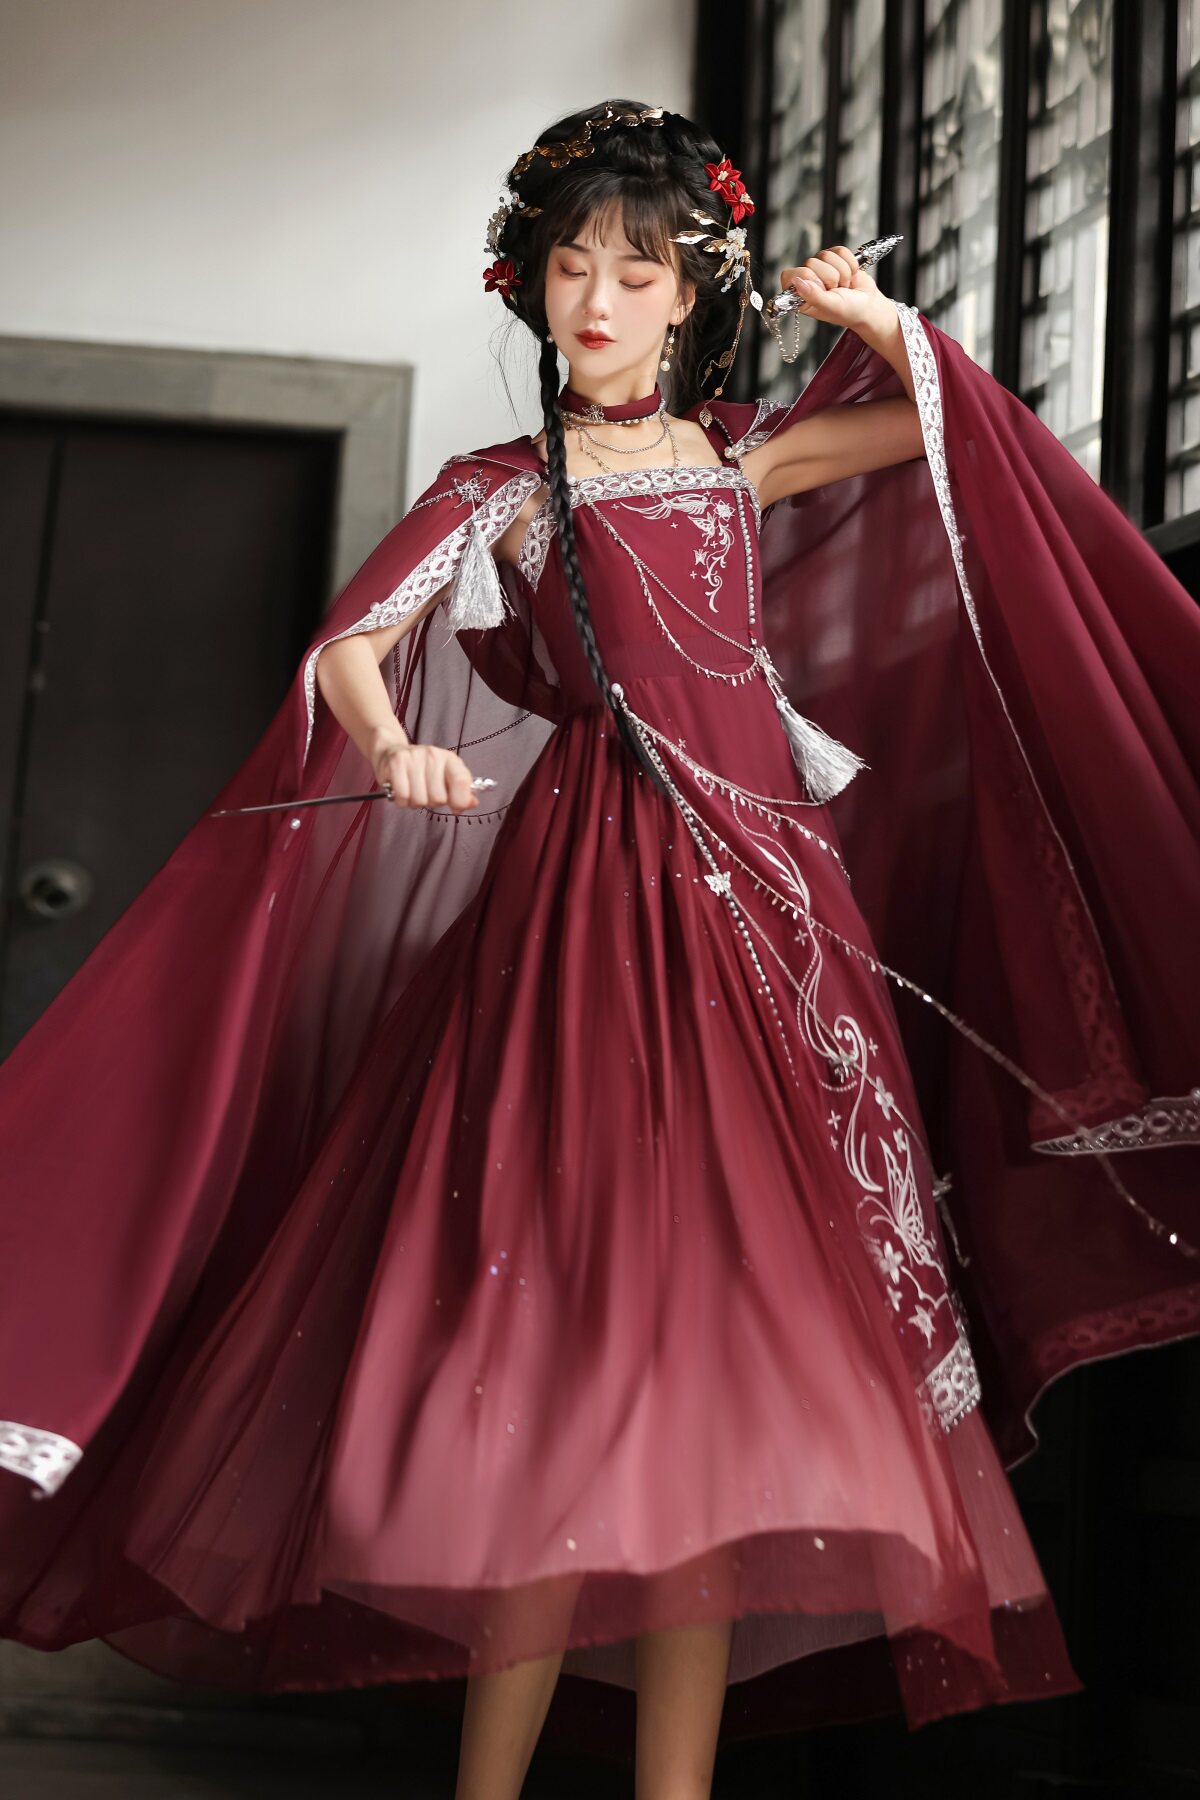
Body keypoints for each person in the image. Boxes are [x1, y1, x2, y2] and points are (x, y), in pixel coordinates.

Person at [0, 98, 1197, 1800]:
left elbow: (945, 438)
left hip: (767, 917)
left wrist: (878, 323)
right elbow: (355, 647)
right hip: (580, 903)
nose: (600, 301)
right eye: (573, 268)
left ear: (692, 297)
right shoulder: (500, 485)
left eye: (637, 274)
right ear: (533, 284)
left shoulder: (738, 457)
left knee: (713, 1389)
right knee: (549, 1342)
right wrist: (393, 748)